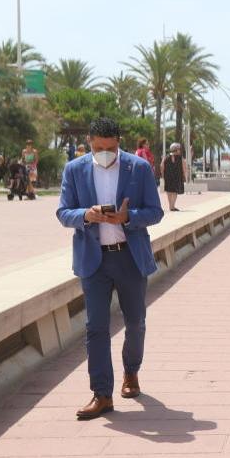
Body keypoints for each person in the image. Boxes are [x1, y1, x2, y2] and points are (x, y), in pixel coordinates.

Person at [56, 117, 164, 420]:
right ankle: (101, 394)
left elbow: (155, 212)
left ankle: (131, 372)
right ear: (90, 142)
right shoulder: (74, 170)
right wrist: (86, 215)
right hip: (93, 260)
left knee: (135, 323)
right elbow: (63, 213)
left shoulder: (138, 168)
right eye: (99, 147)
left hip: (129, 258)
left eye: (111, 148)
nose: (105, 152)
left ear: (120, 143)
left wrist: (128, 219)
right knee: (96, 328)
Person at [162, 143, 186, 211]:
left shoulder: (166, 157)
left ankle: (170, 206)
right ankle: (172, 206)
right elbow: (184, 167)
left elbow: (162, 166)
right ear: (176, 149)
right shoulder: (180, 157)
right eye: (179, 149)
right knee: (175, 191)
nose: (180, 151)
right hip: (177, 176)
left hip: (168, 176)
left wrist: (163, 175)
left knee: (169, 191)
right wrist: (184, 175)